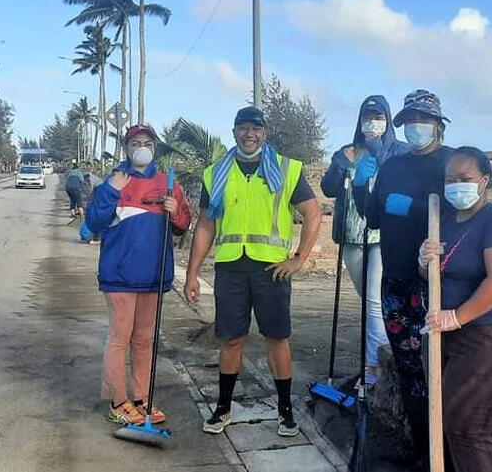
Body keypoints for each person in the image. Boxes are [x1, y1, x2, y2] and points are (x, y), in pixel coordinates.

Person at [184, 106, 322, 438]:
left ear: (265, 133)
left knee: (277, 338)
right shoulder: (215, 173)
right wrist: (192, 273)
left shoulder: (287, 170)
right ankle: (223, 408)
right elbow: (205, 225)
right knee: (231, 339)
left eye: (256, 128)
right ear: (234, 132)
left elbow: (313, 214)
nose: (250, 134)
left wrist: (298, 259)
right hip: (231, 266)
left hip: (272, 269)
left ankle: (285, 410)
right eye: (243, 128)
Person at [353, 89, 454, 465]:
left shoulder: (451, 163)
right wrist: (364, 188)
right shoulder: (393, 166)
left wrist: (415, 209)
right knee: (411, 373)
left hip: (436, 284)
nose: (415, 128)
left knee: (439, 370)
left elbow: (463, 211)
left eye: (423, 122)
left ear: (438, 126)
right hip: (396, 280)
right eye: (410, 122)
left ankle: (447, 452)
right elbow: (375, 219)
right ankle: (422, 452)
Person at [419, 147, 492, 472]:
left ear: (484, 180)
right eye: (449, 179)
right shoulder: (445, 221)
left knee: (468, 428)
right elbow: (438, 275)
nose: (456, 185)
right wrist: (424, 262)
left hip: (490, 339)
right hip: (447, 336)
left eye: (464, 179)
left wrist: (457, 317)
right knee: (448, 423)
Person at [86, 124, 192, 425]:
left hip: (154, 276)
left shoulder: (168, 184)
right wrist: (110, 191)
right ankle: (118, 402)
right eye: (135, 143)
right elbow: (94, 221)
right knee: (120, 338)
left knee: (144, 340)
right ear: (127, 148)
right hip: (119, 275)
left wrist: (176, 210)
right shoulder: (115, 180)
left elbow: (183, 225)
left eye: (147, 142)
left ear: (154, 147)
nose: (141, 148)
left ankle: (143, 399)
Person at [320, 95, 410, 385]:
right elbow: (329, 189)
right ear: (359, 120)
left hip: (382, 236)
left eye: (379, 116)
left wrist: (379, 156)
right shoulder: (347, 152)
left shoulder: (398, 152)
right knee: (370, 300)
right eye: (368, 116)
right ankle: (385, 351)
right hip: (350, 234)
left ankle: (374, 369)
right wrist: (340, 164)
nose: (373, 122)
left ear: (387, 120)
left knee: (373, 300)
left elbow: (402, 184)